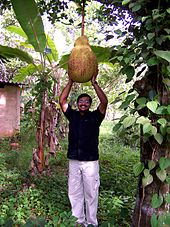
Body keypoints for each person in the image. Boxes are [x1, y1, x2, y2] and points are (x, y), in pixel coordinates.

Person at [59, 75, 108, 227]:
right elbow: (62, 101)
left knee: (91, 193)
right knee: (74, 192)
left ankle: (92, 222)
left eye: (87, 101)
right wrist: (70, 82)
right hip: (74, 160)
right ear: (77, 103)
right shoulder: (72, 115)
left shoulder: (96, 116)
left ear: (90, 105)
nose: (83, 103)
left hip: (91, 162)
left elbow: (104, 102)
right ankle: (78, 220)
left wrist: (94, 83)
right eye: (81, 101)